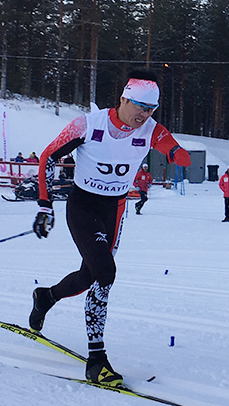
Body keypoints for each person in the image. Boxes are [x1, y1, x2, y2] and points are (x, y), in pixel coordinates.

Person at [29, 69, 191, 387]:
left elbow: (171, 145)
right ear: (123, 99)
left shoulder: (151, 129)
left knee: (90, 276)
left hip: (115, 209)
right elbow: (48, 156)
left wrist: (176, 153)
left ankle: (46, 296)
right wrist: (44, 206)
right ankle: (96, 359)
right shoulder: (89, 124)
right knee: (105, 273)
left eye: (151, 109)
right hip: (84, 206)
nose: (144, 115)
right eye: (140, 107)